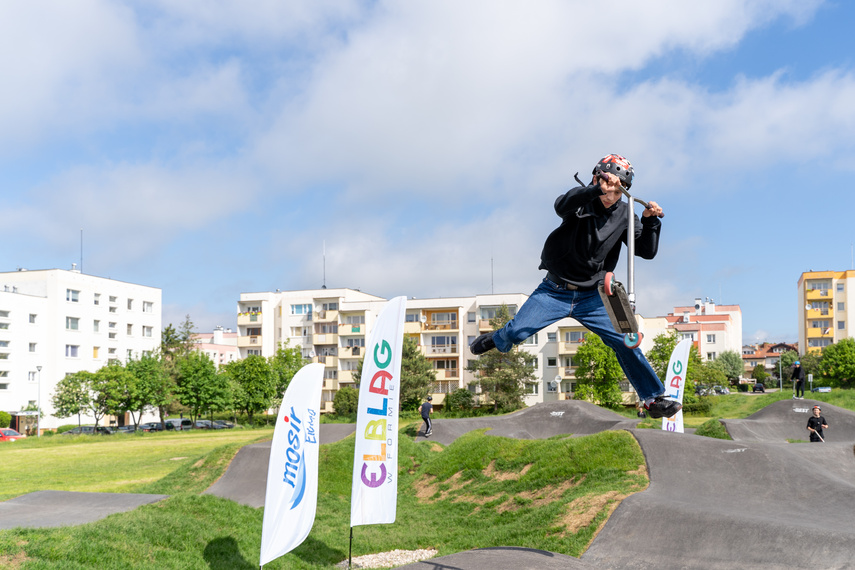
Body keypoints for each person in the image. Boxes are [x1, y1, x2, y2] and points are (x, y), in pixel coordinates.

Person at [469, 154, 681, 419]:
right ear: (596, 178)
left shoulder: (626, 213)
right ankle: (497, 338)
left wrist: (650, 221)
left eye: (618, 191)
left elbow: (647, 252)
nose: (610, 195)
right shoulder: (582, 200)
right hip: (554, 291)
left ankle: (652, 398)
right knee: (516, 333)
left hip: (593, 297)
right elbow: (561, 206)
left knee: (625, 342)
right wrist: (594, 190)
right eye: (606, 186)